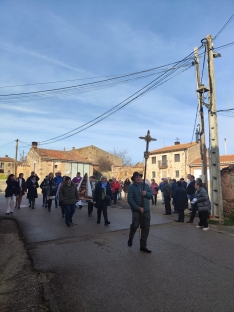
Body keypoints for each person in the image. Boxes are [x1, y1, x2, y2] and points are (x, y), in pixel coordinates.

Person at [127, 172, 153, 253]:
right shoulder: (131, 187)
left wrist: (146, 193)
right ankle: (131, 237)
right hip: (137, 210)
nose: (138, 178)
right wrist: (138, 208)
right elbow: (130, 200)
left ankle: (143, 246)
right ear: (134, 179)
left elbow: (151, 195)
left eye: (139, 177)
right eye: (136, 177)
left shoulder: (146, 186)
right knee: (135, 225)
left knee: (145, 227)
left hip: (146, 210)